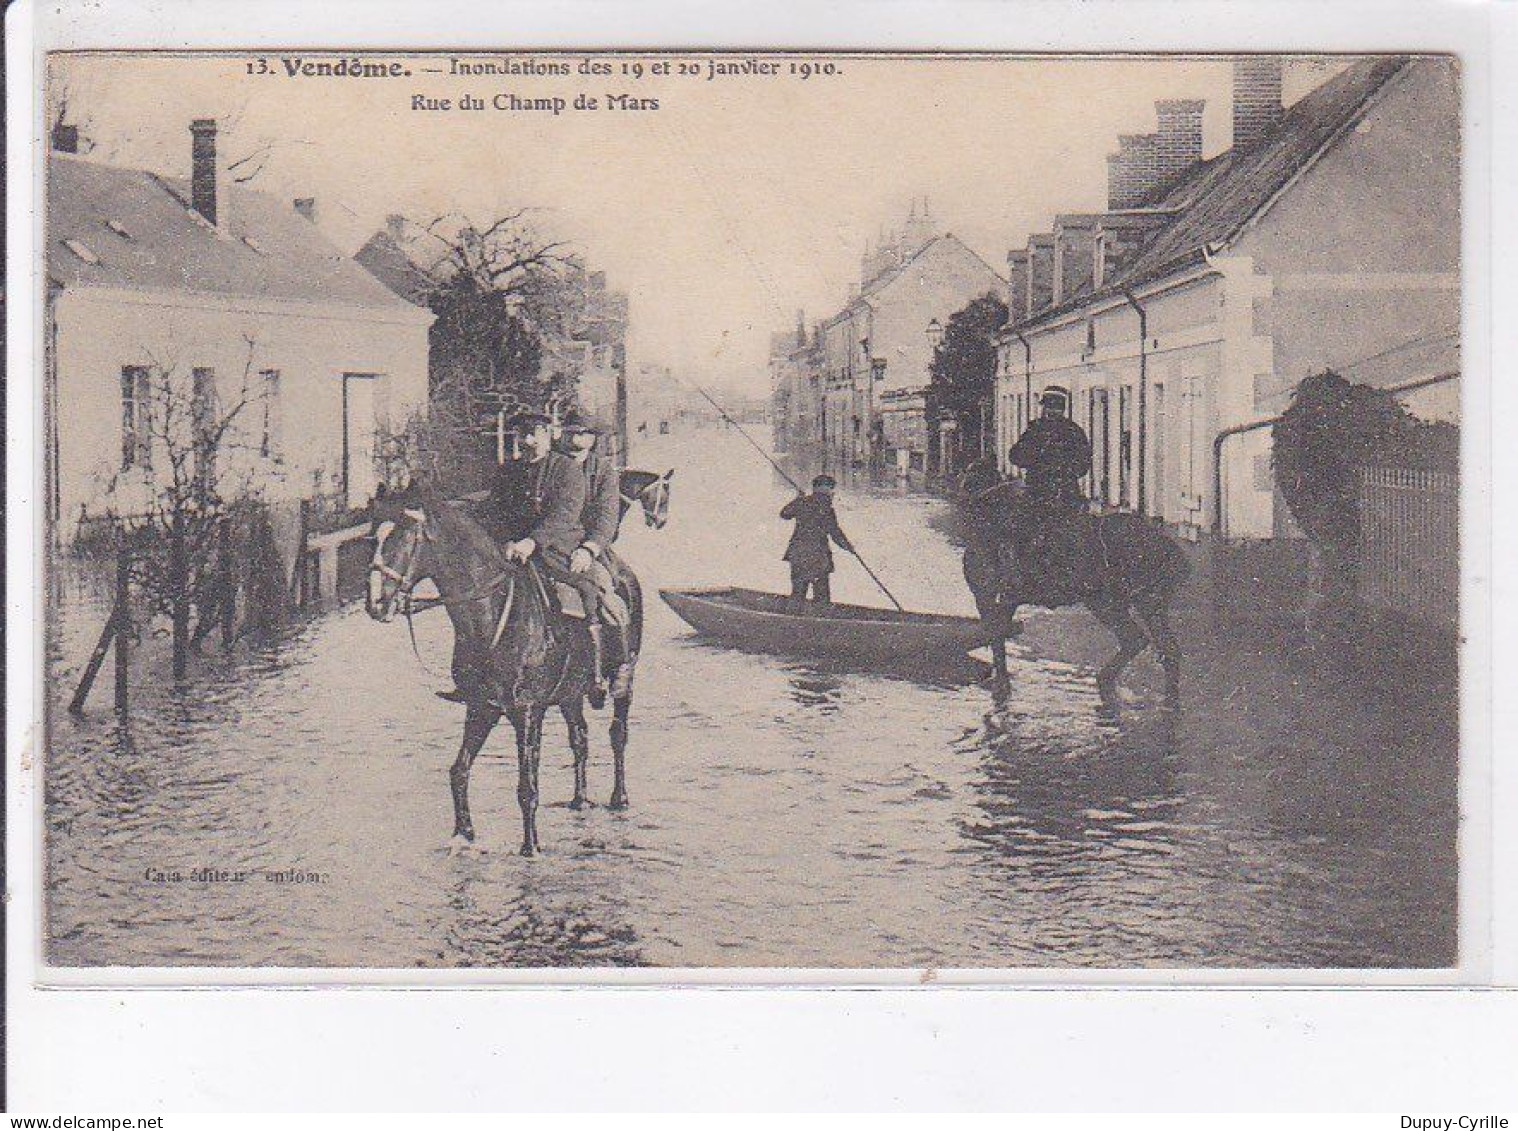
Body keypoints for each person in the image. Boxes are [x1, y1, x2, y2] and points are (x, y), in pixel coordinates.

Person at [558, 408, 634, 700]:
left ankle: (617, 664)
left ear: (592, 439)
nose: (578, 437)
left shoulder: (602, 471)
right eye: (573, 431)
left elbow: (606, 517)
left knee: (605, 591)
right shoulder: (551, 463)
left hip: (589, 547)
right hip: (551, 543)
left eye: (585, 433)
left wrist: (590, 549)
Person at [1006, 386, 1094, 594]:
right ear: (1043, 408)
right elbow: (1015, 456)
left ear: (1063, 410)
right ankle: (1020, 577)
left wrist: (1062, 469)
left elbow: (1083, 464)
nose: (1051, 412)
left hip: (1065, 493)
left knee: (1073, 537)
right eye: (1048, 407)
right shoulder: (1034, 430)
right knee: (1018, 532)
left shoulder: (1073, 432)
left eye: (1057, 408)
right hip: (1036, 491)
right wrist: (1033, 456)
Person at [780, 474, 855, 604]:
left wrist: (797, 499)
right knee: (821, 597)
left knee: (798, 593)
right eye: (831, 489)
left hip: (798, 555)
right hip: (818, 558)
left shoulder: (802, 502)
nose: (833, 493)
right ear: (825, 489)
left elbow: (784, 514)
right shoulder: (826, 508)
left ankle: (795, 618)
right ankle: (821, 620)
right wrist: (849, 547)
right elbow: (835, 533)